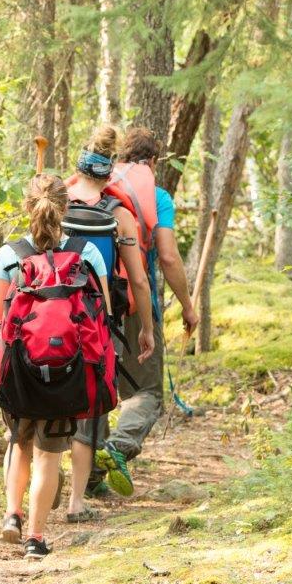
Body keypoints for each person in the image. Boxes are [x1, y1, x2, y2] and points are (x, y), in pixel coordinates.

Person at [0, 174, 111, 560]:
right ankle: (35, 537)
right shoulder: (87, 254)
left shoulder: (9, 254)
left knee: (19, 442)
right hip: (67, 373)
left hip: (18, 370)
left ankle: (12, 515)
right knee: (50, 455)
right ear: (66, 209)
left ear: (26, 207)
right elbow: (103, 318)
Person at [88, 127, 199, 492]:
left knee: (96, 387)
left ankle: (90, 476)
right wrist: (187, 305)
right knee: (147, 392)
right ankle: (116, 449)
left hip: (85, 301)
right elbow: (167, 255)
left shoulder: (92, 189)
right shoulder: (158, 196)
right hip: (133, 300)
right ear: (152, 161)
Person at [66, 126, 155, 522]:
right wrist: (146, 328)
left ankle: (37, 491)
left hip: (47, 317)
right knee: (92, 404)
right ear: (109, 174)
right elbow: (137, 279)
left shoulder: (54, 204)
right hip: (98, 323)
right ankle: (77, 500)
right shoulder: (119, 215)